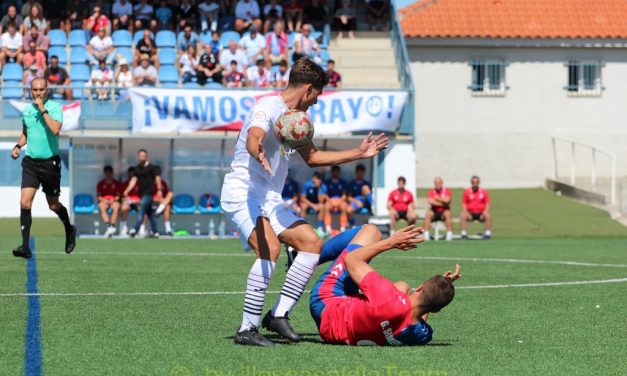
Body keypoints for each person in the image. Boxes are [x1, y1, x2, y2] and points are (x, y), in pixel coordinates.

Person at [220, 57, 389, 347]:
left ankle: (278, 315)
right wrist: (256, 150)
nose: (315, 103)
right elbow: (254, 136)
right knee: (270, 249)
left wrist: (358, 154)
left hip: (269, 199)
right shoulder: (268, 107)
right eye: (316, 96)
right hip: (242, 193)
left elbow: (312, 158)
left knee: (311, 243)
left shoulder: (296, 121)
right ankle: (246, 329)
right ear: (308, 89)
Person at [309, 224, 461, 346]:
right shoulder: (422, 335)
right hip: (336, 334)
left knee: (371, 231)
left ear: (420, 287)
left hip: (325, 304)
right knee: (403, 287)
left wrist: (390, 242)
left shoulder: (387, 296)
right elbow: (425, 308)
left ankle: (306, 257)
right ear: (437, 310)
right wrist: (441, 291)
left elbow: (351, 260)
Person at [10, 78, 77, 259]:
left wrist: (42, 109)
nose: (38, 93)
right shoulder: (26, 111)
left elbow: (55, 130)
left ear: (47, 90)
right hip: (31, 162)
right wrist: (18, 146)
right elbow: (26, 133)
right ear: (30, 91)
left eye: (41, 90)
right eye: (35, 90)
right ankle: (25, 246)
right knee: (25, 202)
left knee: (53, 205)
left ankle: (69, 229)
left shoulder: (55, 107)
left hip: (50, 164)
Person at [122, 149, 162, 238]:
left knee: (142, 211)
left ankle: (135, 230)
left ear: (146, 156)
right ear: (138, 156)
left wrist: (159, 190)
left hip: (149, 193)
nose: (142, 157)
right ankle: (156, 232)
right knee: (150, 214)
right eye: (140, 156)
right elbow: (133, 180)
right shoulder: (136, 169)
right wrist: (127, 190)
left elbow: (157, 178)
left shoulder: (152, 167)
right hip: (142, 193)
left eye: (144, 156)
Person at [461, 175, 492, 240]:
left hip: (481, 213)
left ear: (479, 183)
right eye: (473, 182)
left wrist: (485, 211)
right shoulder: (467, 191)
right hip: (470, 213)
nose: (475, 184)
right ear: (471, 183)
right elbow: (464, 204)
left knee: (488, 215)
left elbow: (487, 203)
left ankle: (487, 234)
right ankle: (463, 234)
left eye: (476, 182)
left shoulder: (483, 191)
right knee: (463, 215)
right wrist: (466, 212)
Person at [424, 176, 453, 241]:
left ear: (442, 183)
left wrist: (437, 198)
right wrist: (443, 203)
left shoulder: (447, 191)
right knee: (428, 214)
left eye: (439, 183)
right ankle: (426, 234)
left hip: (444, 212)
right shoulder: (431, 191)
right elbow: (431, 201)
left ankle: (449, 234)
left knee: (448, 213)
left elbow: (448, 200)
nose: (437, 185)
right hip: (434, 211)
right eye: (436, 183)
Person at [97, 165, 122, 237]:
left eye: (109, 172)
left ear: (112, 173)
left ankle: (112, 226)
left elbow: (118, 196)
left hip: (113, 201)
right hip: (104, 201)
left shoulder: (116, 183)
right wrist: (105, 200)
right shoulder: (101, 183)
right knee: (101, 206)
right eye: (106, 172)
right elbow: (99, 197)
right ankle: (108, 226)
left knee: (116, 206)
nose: (108, 174)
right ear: (104, 173)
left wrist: (112, 200)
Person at [324, 165, 348, 233]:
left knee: (344, 206)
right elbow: (325, 195)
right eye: (334, 171)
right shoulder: (327, 182)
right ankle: (328, 228)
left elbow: (344, 195)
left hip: (340, 201)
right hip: (330, 201)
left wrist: (339, 202)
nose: (335, 173)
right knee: (326, 206)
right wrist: (331, 202)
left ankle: (343, 227)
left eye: (337, 171)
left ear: (339, 172)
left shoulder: (343, 182)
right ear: (331, 172)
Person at [152, 166, 174, 236]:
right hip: (152, 202)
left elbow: (166, 195)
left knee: (169, 199)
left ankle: (168, 229)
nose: (157, 175)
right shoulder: (150, 183)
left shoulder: (163, 183)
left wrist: (163, 200)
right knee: (166, 204)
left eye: (158, 173)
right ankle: (159, 210)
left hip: (161, 203)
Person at [120, 167, 141, 236]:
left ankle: (142, 229)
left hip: (138, 202)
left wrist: (138, 200)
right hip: (128, 202)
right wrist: (127, 199)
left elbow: (143, 195)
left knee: (144, 208)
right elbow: (122, 197)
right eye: (130, 173)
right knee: (124, 208)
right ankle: (123, 228)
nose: (132, 175)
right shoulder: (124, 184)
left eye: (133, 174)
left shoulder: (140, 184)